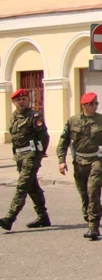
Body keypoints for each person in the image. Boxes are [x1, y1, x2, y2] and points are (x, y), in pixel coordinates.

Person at [56, 92, 102, 240]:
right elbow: (63, 141)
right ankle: (89, 215)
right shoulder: (72, 121)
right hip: (79, 162)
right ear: (83, 105)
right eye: (91, 103)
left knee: (93, 191)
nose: (94, 106)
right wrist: (61, 160)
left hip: (97, 160)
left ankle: (93, 226)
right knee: (84, 195)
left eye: (96, 103)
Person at [1, 88, 50, 231]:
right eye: (18, 100)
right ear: (14, 102)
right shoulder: (14, 117)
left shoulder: (34, 116)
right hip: (20, 157)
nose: (21, 102)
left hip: (31, 155)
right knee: (32, 187)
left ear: (28, 100)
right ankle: (43, 217)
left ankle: (10, 218)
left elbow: (44, 136)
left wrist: (41, 153)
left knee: (22, 186)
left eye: (24, 99)